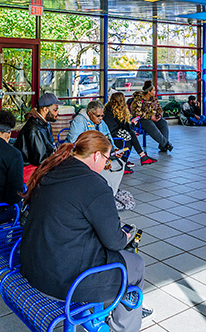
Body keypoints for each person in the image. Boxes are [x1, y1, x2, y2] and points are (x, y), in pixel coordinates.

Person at [20, 131, 150, 331]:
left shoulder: (51, 169)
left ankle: (116, 305)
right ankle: (123, 326)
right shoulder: (95, 185)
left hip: (32, 266)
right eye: (107, 160)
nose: (106, 166)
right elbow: (114, 242)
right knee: (136, 265)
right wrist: (125, 236)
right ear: (97, 155)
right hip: (63, 282)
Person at [104, 92, 157, 165]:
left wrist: (130, 126)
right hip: (114, 135)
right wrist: (133, 124)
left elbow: (123, 125)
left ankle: (141, 156)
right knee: (131, 135)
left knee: (131, 133)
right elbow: (126, 126)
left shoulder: (108, 108)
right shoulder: (117, 111)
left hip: (110, 133)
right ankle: (127, 162)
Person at [14, 92, 59, 170]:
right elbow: (40, 161)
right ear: (45, 110)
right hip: (30, 169)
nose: (57, 112)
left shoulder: (45, 124)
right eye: (55, 110)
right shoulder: (34, 129)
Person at [129, 81, 172, 152]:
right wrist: (149, 117)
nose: (155, 92)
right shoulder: (138, 99)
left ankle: (163, 146)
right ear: (149, 91)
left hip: (153, 118)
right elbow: (136, 113)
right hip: (142, 119)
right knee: (150, 124)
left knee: (163, 123)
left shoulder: (154, 99)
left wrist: (159, 115)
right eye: (153, 90)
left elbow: (159, 109)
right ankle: (166, 143)